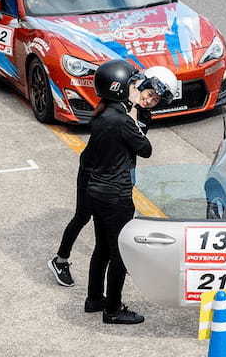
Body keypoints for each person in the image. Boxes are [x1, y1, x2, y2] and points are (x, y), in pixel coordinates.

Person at [47, 65, 176, 294]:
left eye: (156, 100)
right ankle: (60, 259)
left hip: (116, 171)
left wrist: (136, 109)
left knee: (103, 237)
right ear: (139, 85)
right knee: (82, 215)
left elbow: (137, 141)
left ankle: (108, 271)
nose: (150, 100)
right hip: (92, 170)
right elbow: (141, 145)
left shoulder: (142, 114)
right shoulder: (114, 102)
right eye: (149, 94)